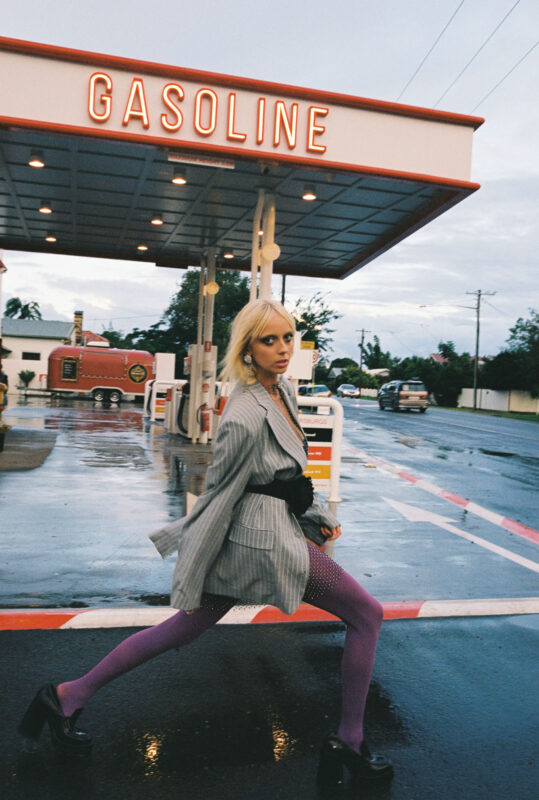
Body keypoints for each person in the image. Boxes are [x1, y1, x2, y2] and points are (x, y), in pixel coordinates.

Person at [19, 299, 393, 785]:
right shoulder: (244, 410)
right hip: (260, 542)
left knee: (181, 630)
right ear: (248, 349)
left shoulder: (282, 390)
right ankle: (350, 740)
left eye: (288, 337)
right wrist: (195, 561)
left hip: (271, 530)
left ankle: (69, 695)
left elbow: (285, 476)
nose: (282, 349)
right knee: (367, 615)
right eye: (269, 340)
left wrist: (314, 512)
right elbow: (220, 492)